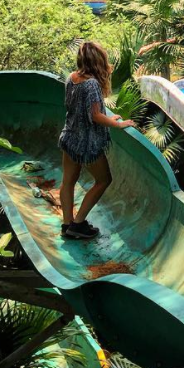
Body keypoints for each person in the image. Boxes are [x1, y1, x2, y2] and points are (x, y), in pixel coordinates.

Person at [58, 41, 135, 240]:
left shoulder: (72, 78)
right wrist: (118, 124)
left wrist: (109, 117)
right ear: (98, 61)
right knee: (103, 180)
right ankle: (78, 223)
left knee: (68, 182)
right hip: (86, 143)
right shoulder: (91, 83)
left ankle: (67, 224)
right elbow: (95, 116)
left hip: (69, 137)